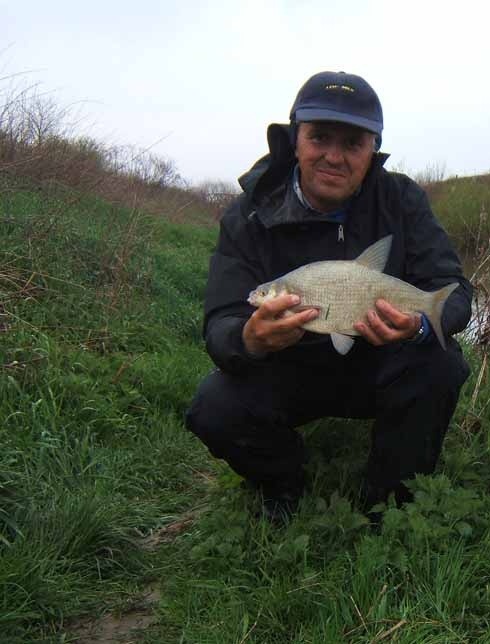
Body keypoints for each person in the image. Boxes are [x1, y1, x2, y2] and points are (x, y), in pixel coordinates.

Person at [185, 71, 472, 521]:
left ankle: (390, 499)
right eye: (320, 138)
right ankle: (285, 479)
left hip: (378, 364)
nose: (334, 157)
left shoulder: (401, 199)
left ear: (372, 149)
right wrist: (250, 340)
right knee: (213, 406)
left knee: (441, 362)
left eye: (353, 143)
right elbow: (220, 321)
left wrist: (417, 325)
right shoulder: (249, 214)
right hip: (291, 370)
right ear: (294, 140)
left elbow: (453, 292)